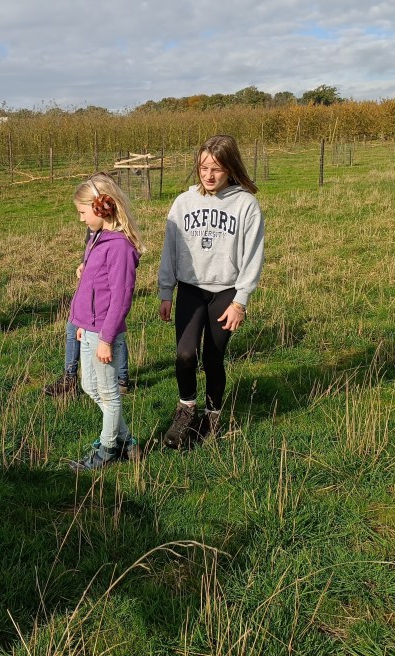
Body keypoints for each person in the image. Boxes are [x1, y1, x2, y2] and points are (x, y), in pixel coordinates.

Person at [158, 134, 265, 448]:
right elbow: (170, 250)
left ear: (230, 168)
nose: (208, 174)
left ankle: (212, 416)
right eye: (203, 167)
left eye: (216, 168)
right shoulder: (183, 202)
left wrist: (240, 301)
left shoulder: (246, 204)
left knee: (213, 358)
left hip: (226, 293)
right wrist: (166, 290)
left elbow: (252, 255)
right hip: (191, 289)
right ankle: (186, 410)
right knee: (184, 354)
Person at [66, 173, 145, 471]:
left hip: (104, 335)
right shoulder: (98, 240)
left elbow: (121, 299)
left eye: (82, 213)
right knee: (89, 386)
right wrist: (83, 323)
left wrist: (106, 338)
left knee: (110, 394)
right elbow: (95, 288)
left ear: (101, 208)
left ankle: (107, 450)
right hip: (89, 328)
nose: (81, 219)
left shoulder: (120, 248)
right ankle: (126, 440)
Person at [43, 229, 130, 397]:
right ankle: (71, 377)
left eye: (83, 212)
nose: (82, 218)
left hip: (103, 295)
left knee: (114, 328)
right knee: (72, 327)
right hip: (89, 292)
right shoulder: (93, 225)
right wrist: (84, 264)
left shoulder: (116, 226)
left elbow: (121, 268)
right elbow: (90, 250)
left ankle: (121, 379)